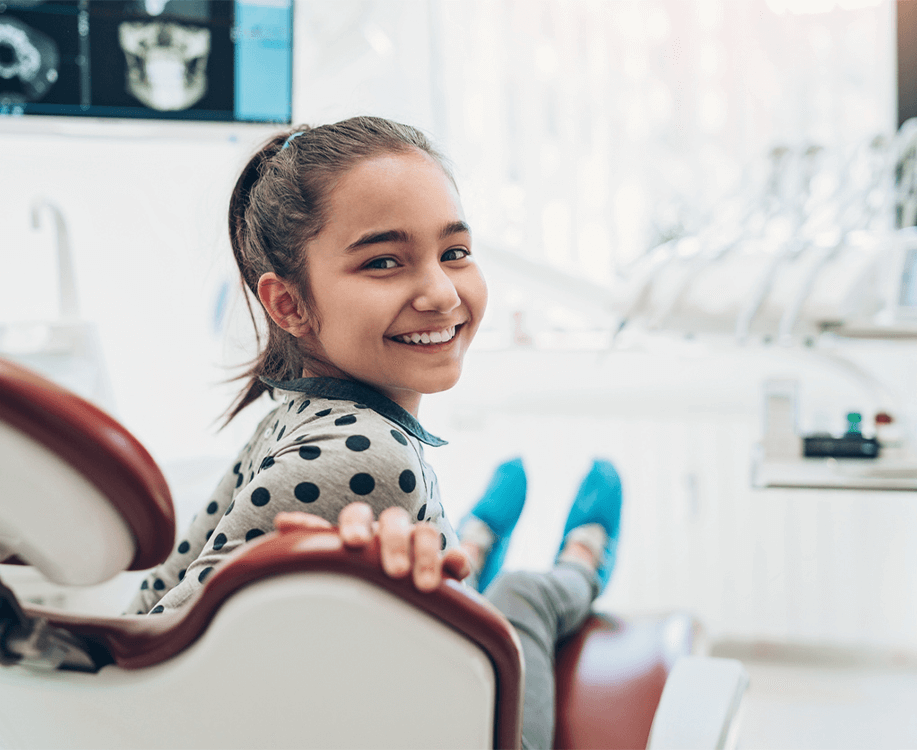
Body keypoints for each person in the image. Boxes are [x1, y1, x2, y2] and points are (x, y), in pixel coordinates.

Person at [125, 116, 621, 749]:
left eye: (455, 253)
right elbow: (161, 683)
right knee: (524, 597)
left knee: (469, 581)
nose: (441, 293)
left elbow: (157, 603)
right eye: (384, 262)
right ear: (289, 305)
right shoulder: (373, 460)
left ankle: (467, 541)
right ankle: (585, 556)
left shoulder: (290, 417)